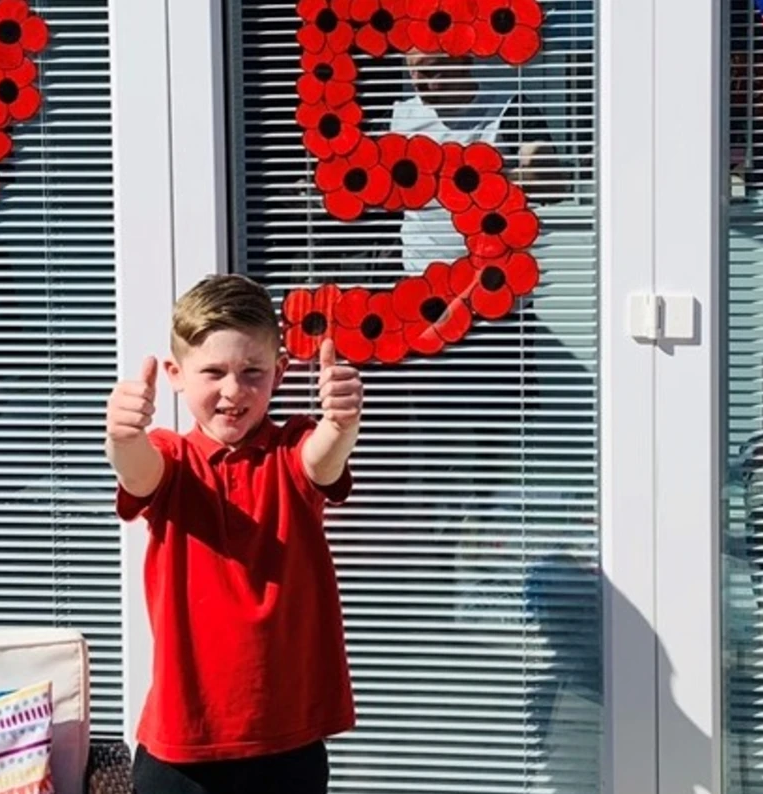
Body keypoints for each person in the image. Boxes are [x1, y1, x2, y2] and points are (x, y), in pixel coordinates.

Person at [104, 273, 363, 794]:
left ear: (280, 373)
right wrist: (122, 436)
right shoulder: (173, 460)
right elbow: (138, 472)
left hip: (287, 744)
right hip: (183, 747)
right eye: (214, 372)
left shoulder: (292, 449)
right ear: (177, 374)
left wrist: (340, 426)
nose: (232, 391)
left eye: (252, 372)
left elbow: (323, 460)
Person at [389, 49, 569, 272]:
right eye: (412, 72)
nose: (417, 82)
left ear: (464, 61)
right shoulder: (398, 119)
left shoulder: (508, 109)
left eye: (429, 70)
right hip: (424, 280)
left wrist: (476, 181)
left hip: (494, 281)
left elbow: (551, 182)